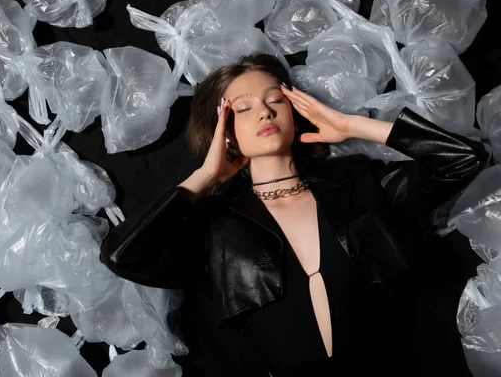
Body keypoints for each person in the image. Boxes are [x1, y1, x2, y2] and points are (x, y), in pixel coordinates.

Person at [99, 53, 488, 376]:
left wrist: (352, 125)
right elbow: (123, 256)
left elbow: (463, 161)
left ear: (295, 108)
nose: (265, 113)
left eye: (275, 100)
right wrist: (205, 176)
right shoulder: (214, 225)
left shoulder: (358, 182)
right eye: (244, 108)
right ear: (224, 131)